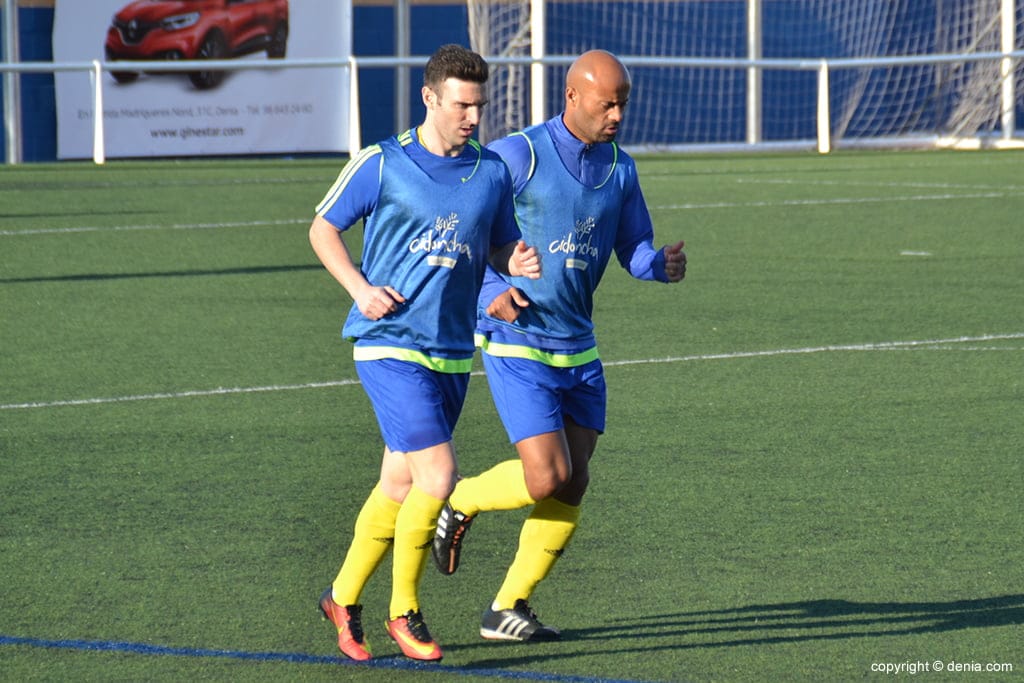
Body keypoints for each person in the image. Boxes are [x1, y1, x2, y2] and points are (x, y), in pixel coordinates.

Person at [431, 49, 687, 641]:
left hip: (579, 347)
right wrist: (490, 291)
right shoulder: (518, 154)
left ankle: (507, 608)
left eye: (624, 103)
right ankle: (463, 499)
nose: (619, 114)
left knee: (574, 481)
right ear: (572, 98)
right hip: (517, 339)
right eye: (608, 103)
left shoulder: (621, 167)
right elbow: (462, 228)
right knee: (545, 476)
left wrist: (659, 265)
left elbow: (635, 247)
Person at [309, 44, 541, 662]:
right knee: (438, 477)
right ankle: (403, 611)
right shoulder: (382, 163)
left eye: (480, 105)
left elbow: (498, 247)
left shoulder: (490, 171)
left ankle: (341, 596)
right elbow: (322, 228)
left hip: (450, 351)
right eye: (462, 104)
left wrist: (511, 264)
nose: (473, 116)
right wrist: (361, 289)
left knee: (398, 480)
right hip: (387, 346)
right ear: (430, 97)